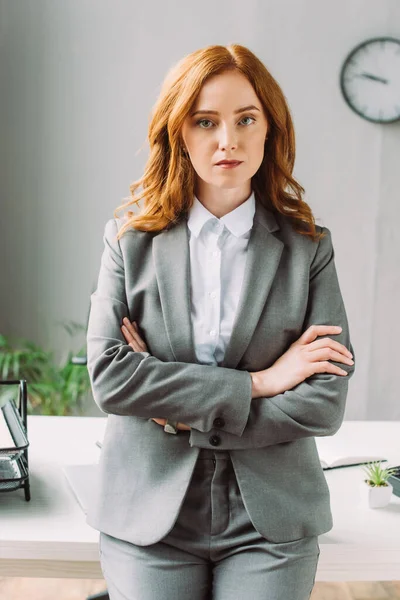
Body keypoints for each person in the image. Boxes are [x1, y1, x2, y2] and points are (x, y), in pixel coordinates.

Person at [85, 43, 355, 600]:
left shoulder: (310, 249)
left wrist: (176, 409)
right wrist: (261, 383)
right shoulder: (129, 241)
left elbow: (322, 401)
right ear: (179, 133)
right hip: (149, 514)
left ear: (269, 130)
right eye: (205, 121)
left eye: (245, 119)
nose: (227, 140)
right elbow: (111, 379)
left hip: (271, 519)